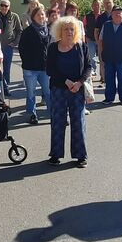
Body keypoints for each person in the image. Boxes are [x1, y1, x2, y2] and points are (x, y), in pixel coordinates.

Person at [45, 16, 92, 168]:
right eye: (66, 29)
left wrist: (79, 83)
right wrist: (66, 81)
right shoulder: (53, 47)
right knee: (58, 122)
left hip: (77, 90)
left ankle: (80, 156)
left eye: (72, 29)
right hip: (58, 89)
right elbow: (50, 69)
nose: (69, 32)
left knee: (78, 121)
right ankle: (55, 155)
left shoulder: (81, 47)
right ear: (60, 31)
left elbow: (88, 67)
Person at [18, 5, 52, 124]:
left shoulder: (48, 31)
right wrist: (27, 61)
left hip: (45, 68)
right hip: (30, 68)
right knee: (31, 93)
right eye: (38, 15)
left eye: (42, 14)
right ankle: (32, 114)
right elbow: (22, 49)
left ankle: (53, 114)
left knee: (48, 91)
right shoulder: (28, 31)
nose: (41, 17)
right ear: (33, 17)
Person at [0, 0, 22, 96]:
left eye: (6, 6)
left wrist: (15, 42)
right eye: (2, 5)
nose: (4, 7)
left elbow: (19, 30)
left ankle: (5, 88)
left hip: (8, 46)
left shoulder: (14, 16)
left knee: (7, 69)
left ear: (9, 7)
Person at [92, 0, 115, 83]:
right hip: (103, 42)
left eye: (109, 2)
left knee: (113, 61)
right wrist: (97, 41)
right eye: (105, 3)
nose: (107, 5)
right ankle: (104, 78)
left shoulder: (117, 14)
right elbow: (96, 30)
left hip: (115, 43)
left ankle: (111, 78)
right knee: (102, 61)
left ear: (113, 3)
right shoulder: (101, 17)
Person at [83, 0, 103, 78]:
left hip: (101, 40)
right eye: (94, 5)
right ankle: (93, 70)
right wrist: (85, 37)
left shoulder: (103, 16)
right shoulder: (87, 16)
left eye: (98, 5)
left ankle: (102, 74)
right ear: (92, 6)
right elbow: (83, 26)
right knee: (91, 56)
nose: (96, 6)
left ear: (100, 6)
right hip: (90, 38)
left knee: (102, 56)